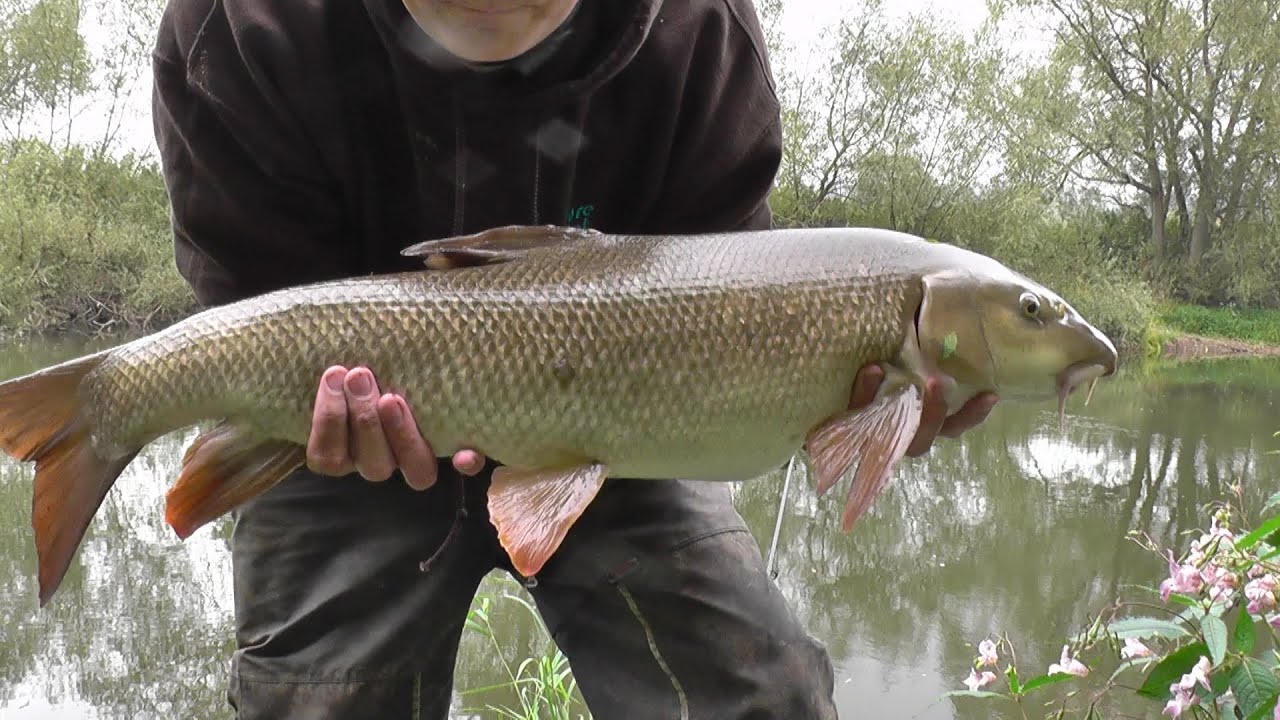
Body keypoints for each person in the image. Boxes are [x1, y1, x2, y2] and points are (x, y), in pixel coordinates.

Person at [150, 0, 997, 718]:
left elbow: (738, 300)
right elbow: (255, 319)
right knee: (317, 698)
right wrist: (309, 415)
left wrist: (853, 410)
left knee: (764, 691)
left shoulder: (700, 30)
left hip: (629, 430)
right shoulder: (233, 30)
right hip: (347, 440)